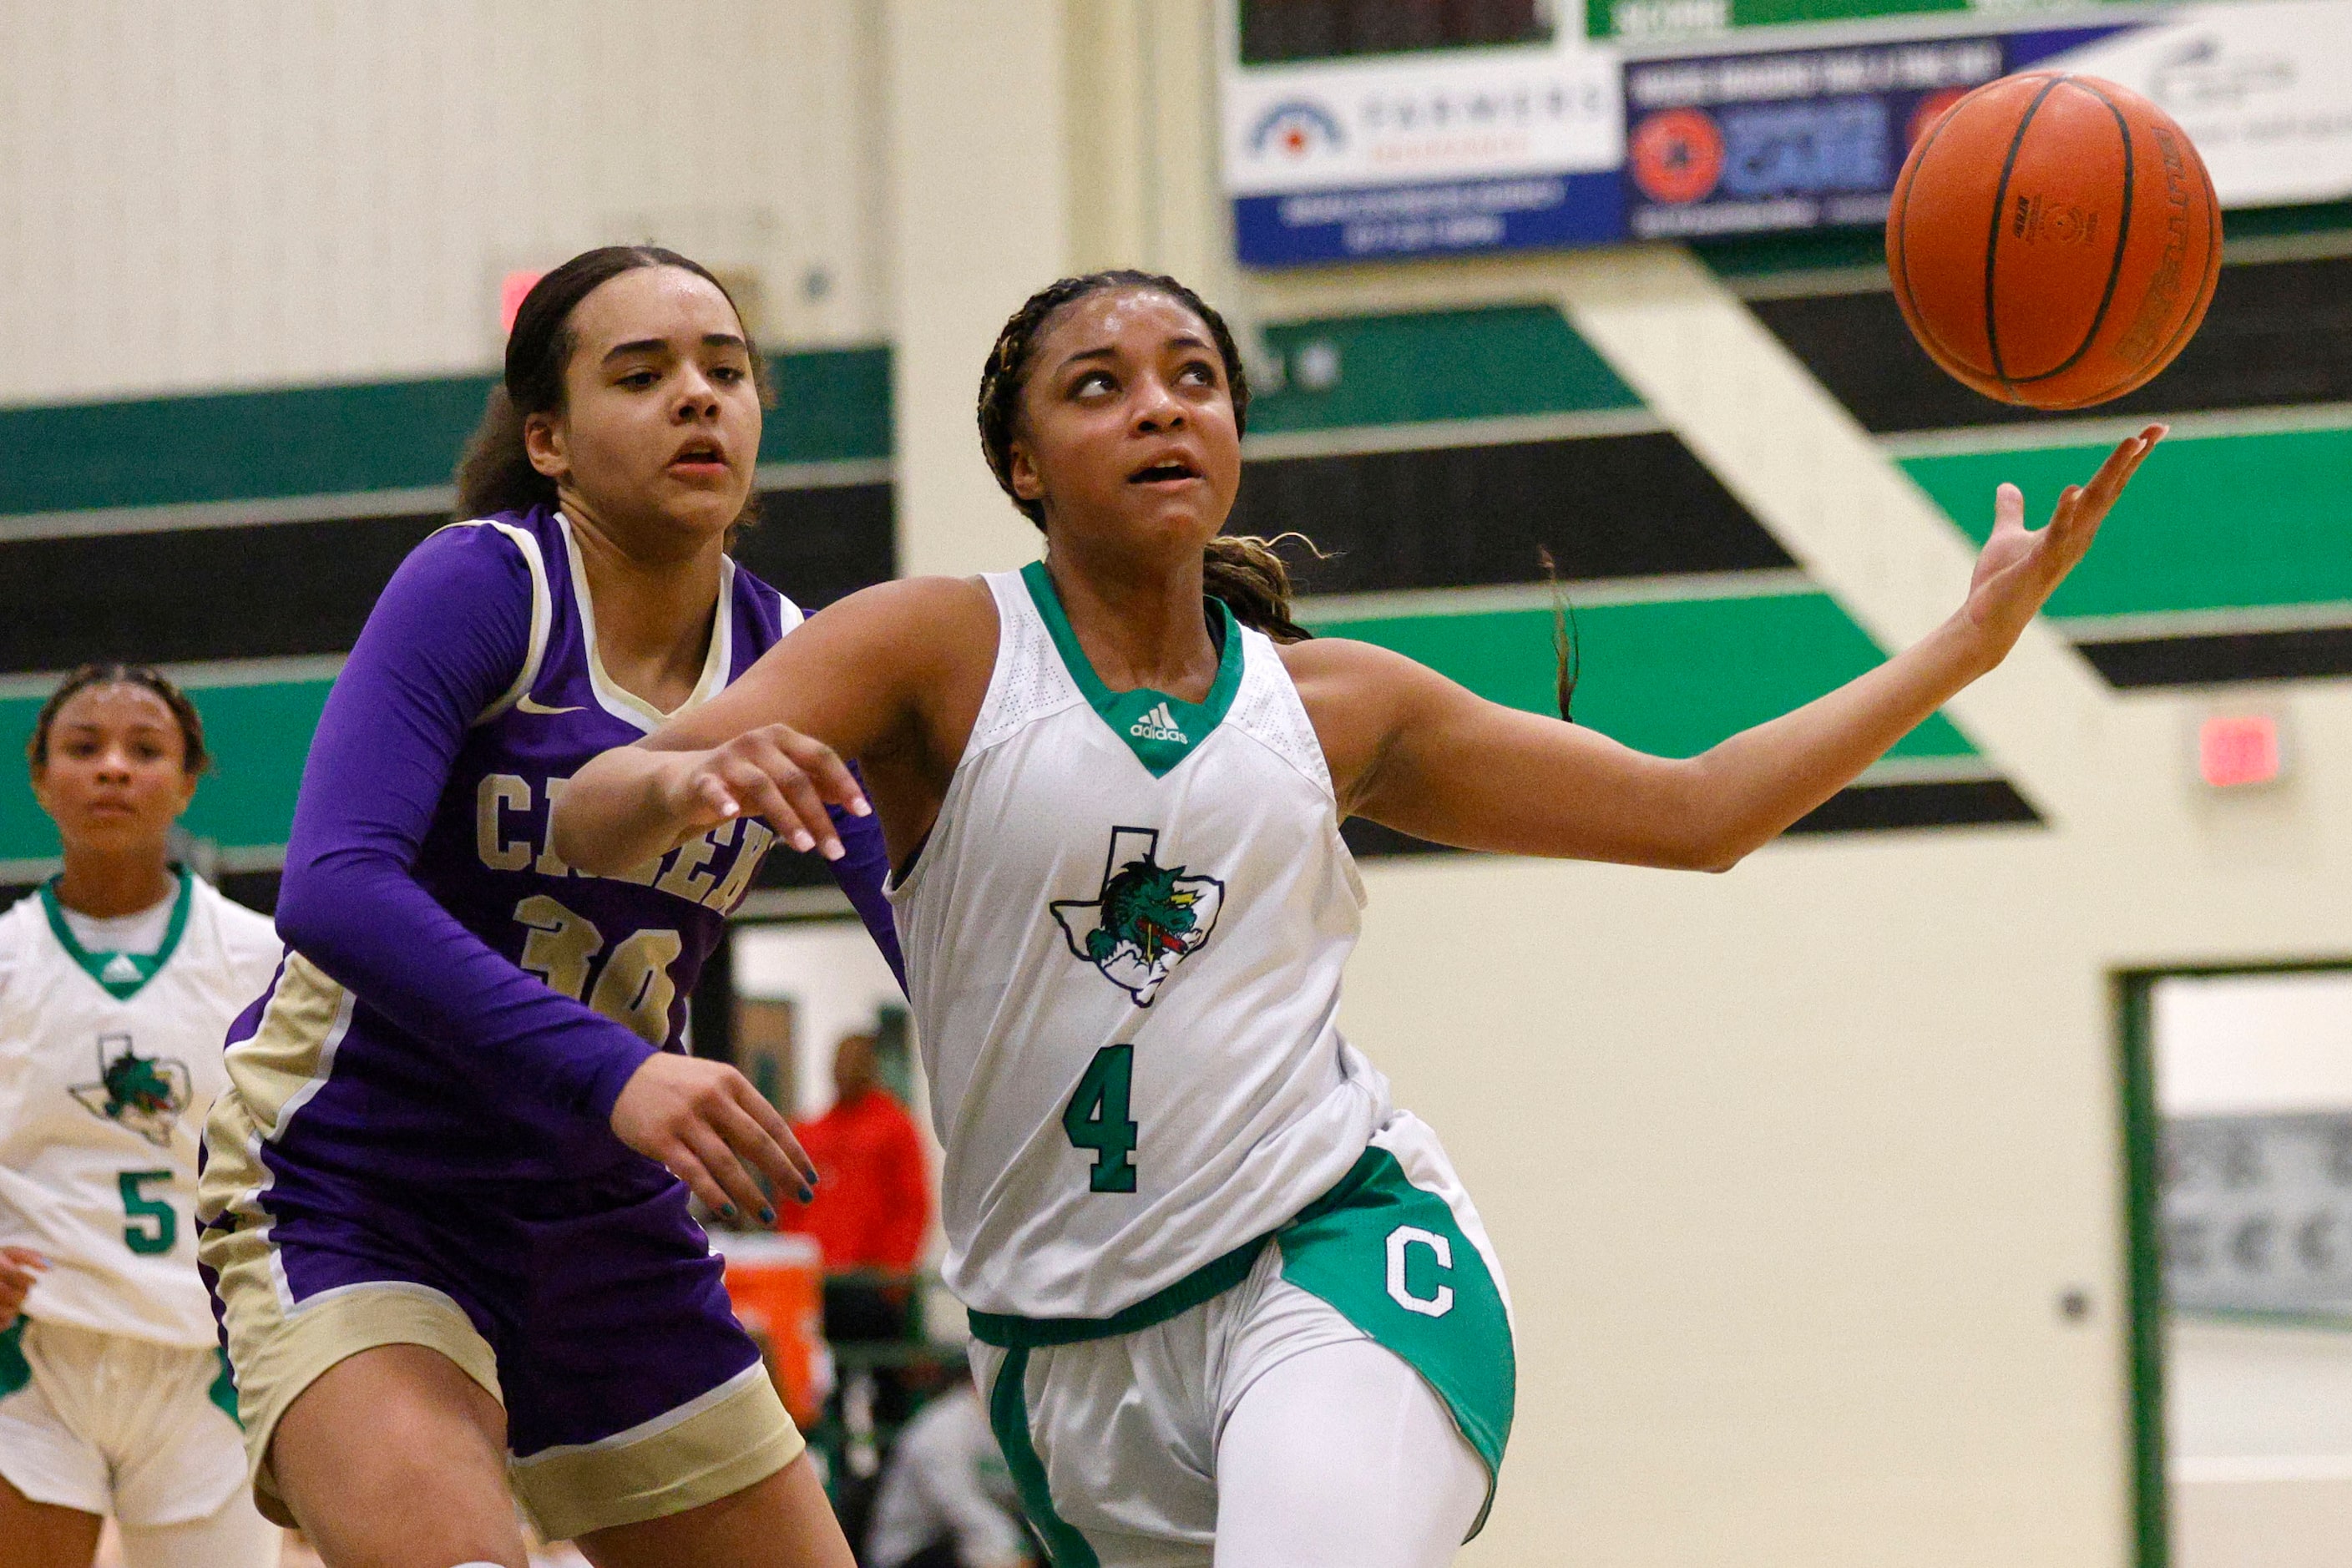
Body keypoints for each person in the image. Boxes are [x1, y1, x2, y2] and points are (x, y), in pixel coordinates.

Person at [549, 269, 2163, 1567]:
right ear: (1025, 466)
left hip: (1332, 1255)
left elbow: (1698, 813)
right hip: (1063, 1351)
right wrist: (688, 776)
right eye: (1098, 384)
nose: (1159, 403)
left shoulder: (1336, 707)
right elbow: (589, 809)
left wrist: (1961, 648)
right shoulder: (935, 648)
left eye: (1192, 375)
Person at [194, 246, 900, 1568]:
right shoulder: (487, 582)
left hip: (601, 1218)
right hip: (358, 1183)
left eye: (726, 370)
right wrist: (618, 1069)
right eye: (642, 375)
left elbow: (928, 931)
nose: (698, 397)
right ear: (550, 441)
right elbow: (333, 886)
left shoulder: (799, 651)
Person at [0, 665, 286, 1568]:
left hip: (210, 1358)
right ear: (41, 780)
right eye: (84, 749)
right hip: (31, 1355)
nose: (114, 769)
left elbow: (322, 1146)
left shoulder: (263, 956)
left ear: (189, 780)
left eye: (144, 750)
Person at [780, 1032, 931, 1325]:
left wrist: (893, 1279)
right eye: (840, 1061)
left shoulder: (896, 1128)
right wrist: (795, 1261)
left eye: (854, 1062)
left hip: (873, 1286)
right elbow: (791, 1204)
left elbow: (912, 1205)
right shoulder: (810, 1132)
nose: (844, 1070)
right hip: (818, 1283)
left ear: (871, 1066)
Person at [864, 1367, 1033, 1568]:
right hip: (908, 1554)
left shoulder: (1004, 1425)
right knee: (986, 1552)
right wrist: (1015, 1549)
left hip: (959, 1540)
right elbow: (960, 1506)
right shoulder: (939, 1429)